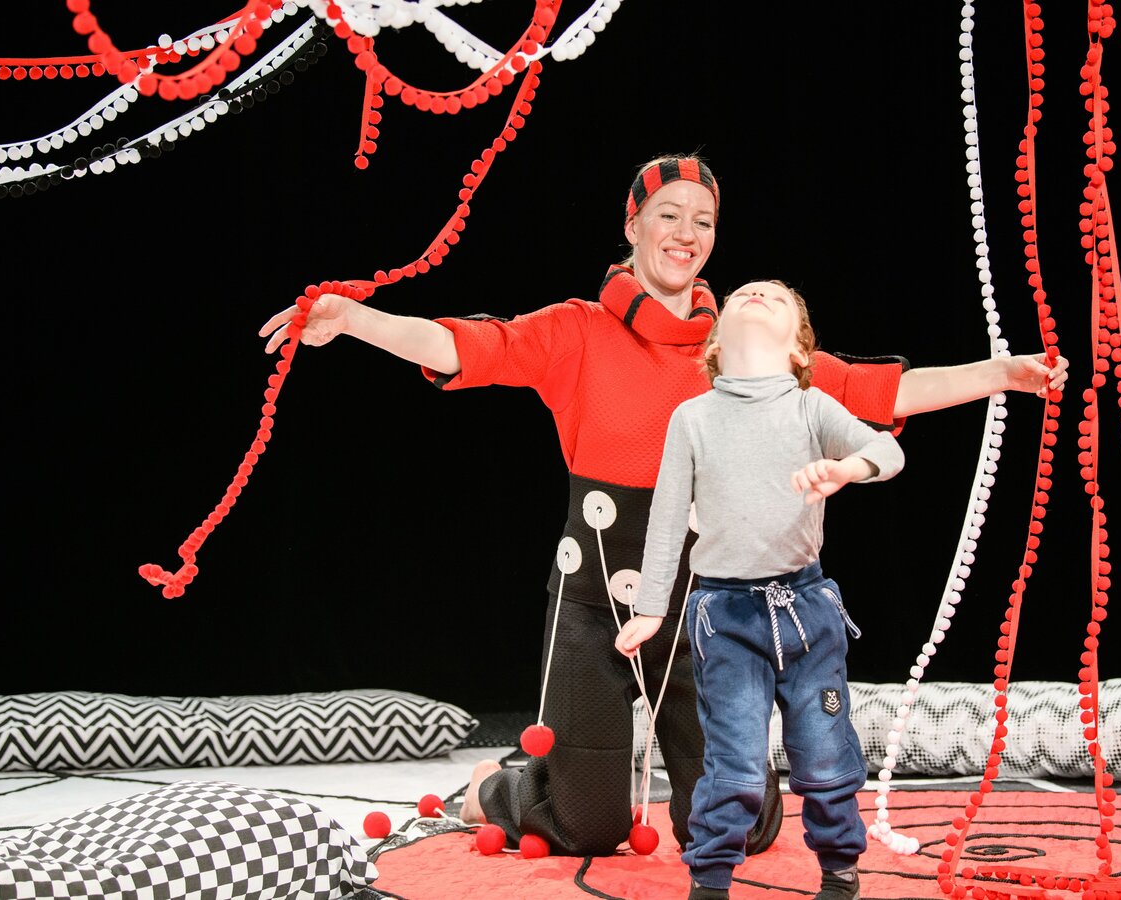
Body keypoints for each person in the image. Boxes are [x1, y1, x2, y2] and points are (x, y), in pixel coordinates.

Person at [259, 154, 1069, 859]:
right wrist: (353, 320)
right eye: (669, 215)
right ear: (633, 226)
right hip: (593, 605)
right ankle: (501, 787)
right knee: (587, 823)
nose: (686, 234)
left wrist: (1001, 375)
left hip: (705, 612)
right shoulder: (577, 332)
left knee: (743, 828)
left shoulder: (742, 349)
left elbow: (875, 391)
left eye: (703, 221)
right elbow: (466, 347)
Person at [614, 279, 902, 900]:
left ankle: (840, 871)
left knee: (823, 752)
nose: (758, 294)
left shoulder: (811, 407)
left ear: (799, 350)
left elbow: (887, 450)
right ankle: (711, 880)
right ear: (715, 342)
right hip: (724, 614)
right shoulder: (693, 418)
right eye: (746, 292)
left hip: (806, 609)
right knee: (736, 761)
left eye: (777, 297)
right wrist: (651, 608)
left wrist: (848, 467)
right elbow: (667, 517)